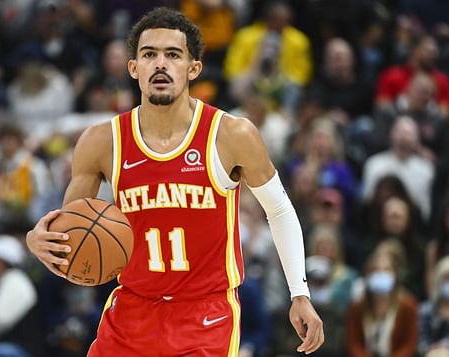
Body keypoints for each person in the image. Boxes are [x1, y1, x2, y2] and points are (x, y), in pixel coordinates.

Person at [25, 6, 323, 356]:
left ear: (193, 68)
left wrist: (299, 294)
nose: (161, 63)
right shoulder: (101, 142)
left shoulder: (231, 134)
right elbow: (72, 235)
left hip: (206, 315)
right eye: (149, 54)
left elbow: (280, 210)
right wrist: (37, 240)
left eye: (173, 54)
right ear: (133, 67)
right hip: (131, 311)